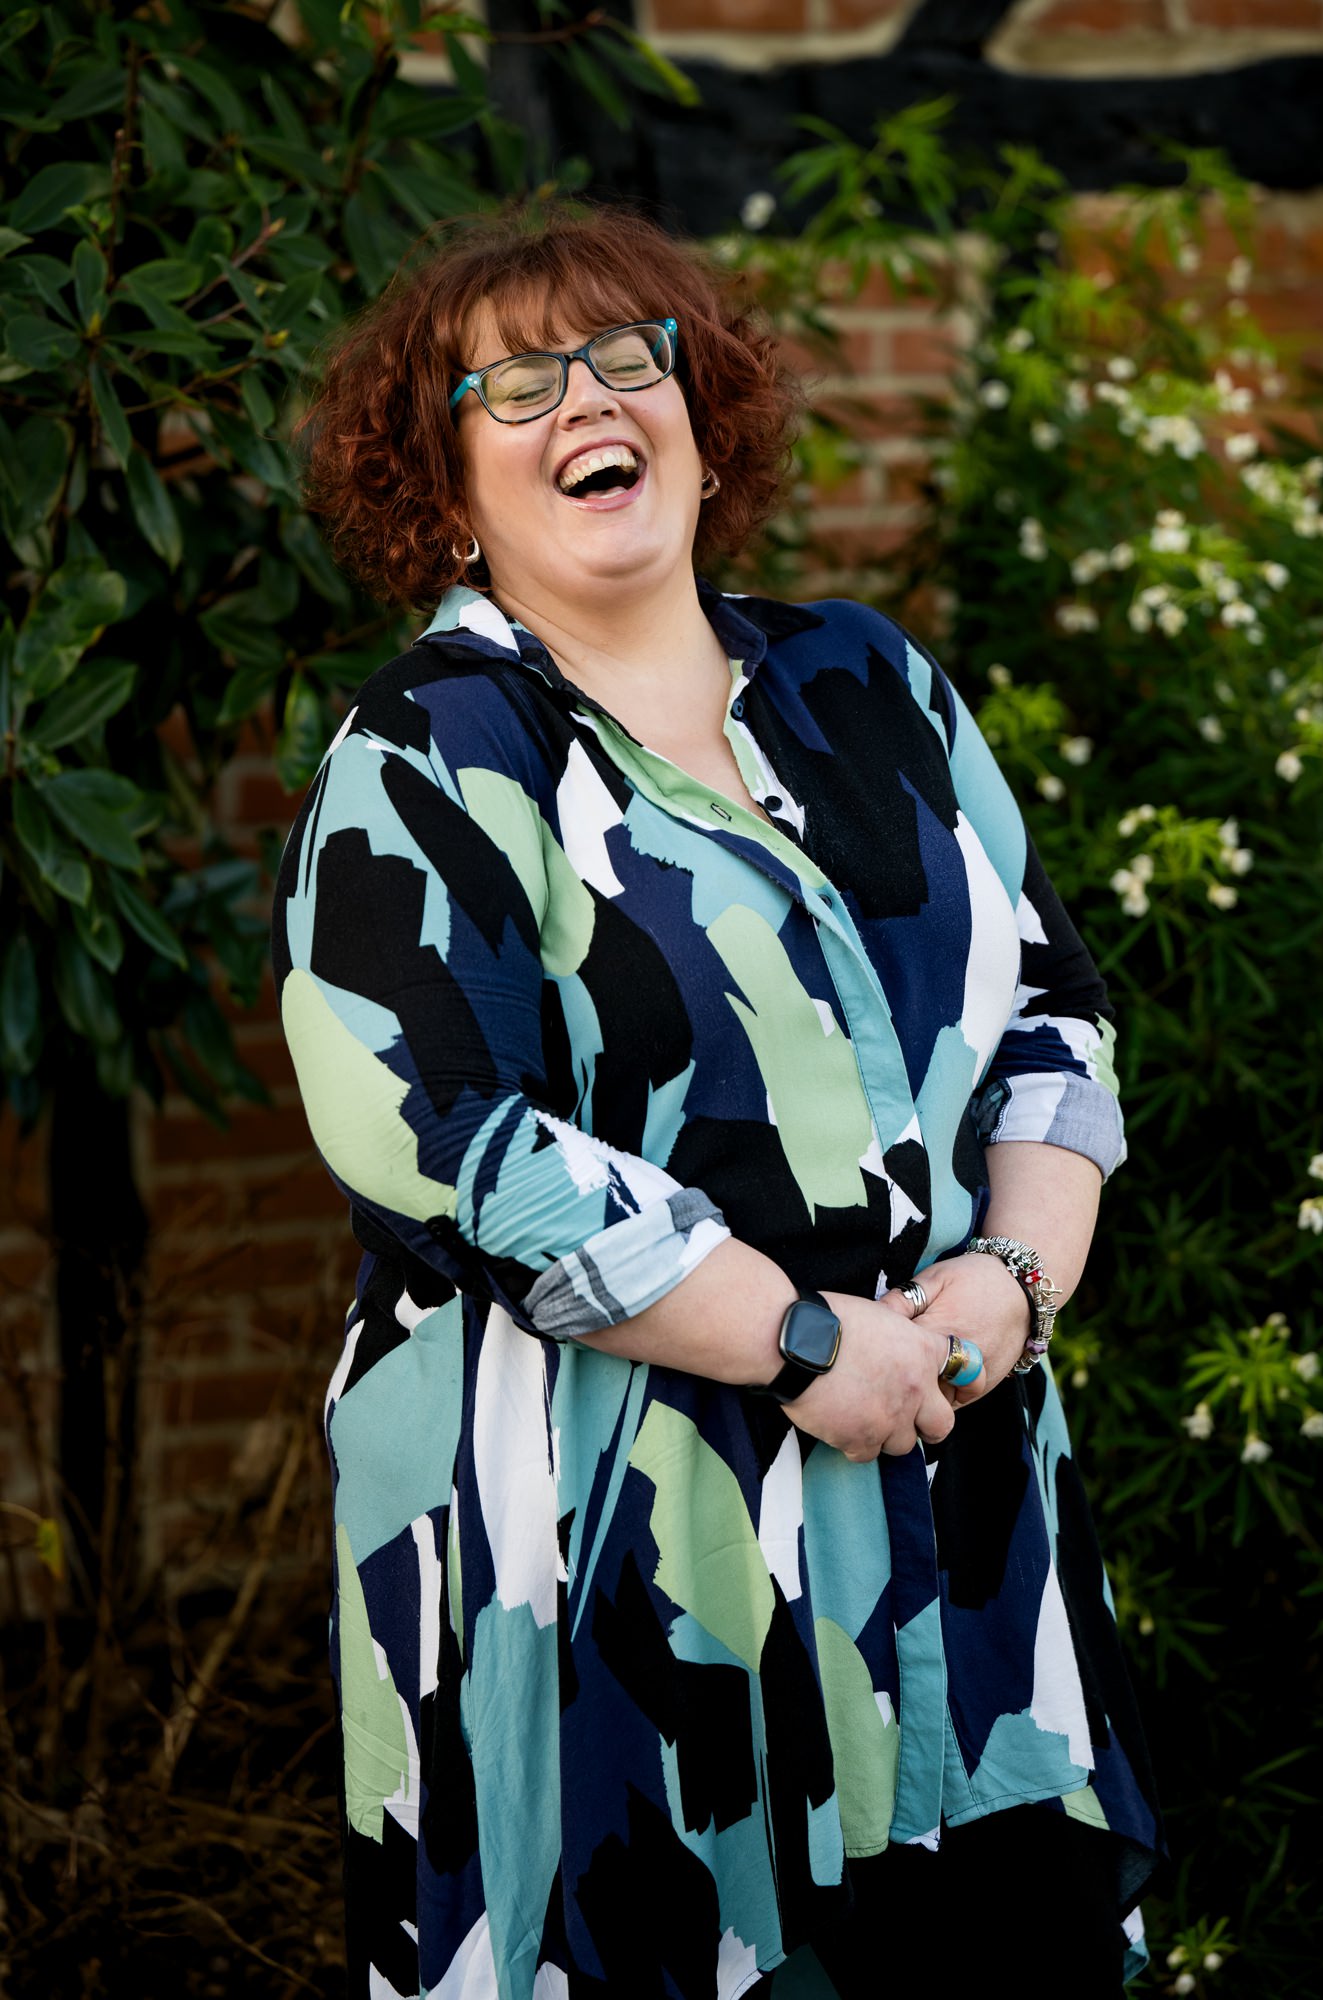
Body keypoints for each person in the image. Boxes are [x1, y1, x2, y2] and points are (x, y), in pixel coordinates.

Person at [274, 203, 1163, 2000]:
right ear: (443, 488)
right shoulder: (428, 751)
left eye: (623, 359)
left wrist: (1006, 1285)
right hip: (614, 1560)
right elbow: (443, 1147)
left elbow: (1052, 1016)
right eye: (512, 382)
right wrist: (805, 1335)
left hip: (954, 1499)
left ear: (698, 412)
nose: (584, 398)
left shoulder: (871, 683)